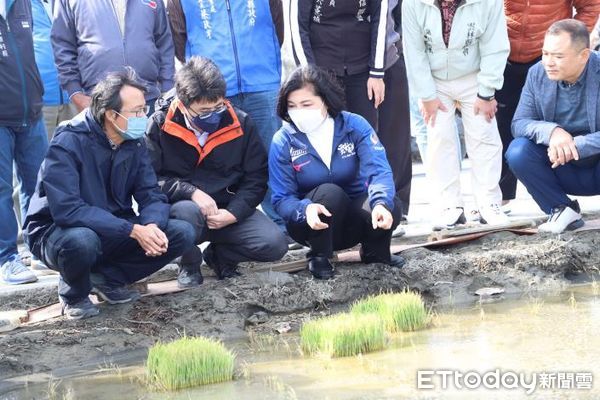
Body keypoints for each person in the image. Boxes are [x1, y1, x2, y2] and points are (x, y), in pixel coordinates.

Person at [23, 70, 195, 319]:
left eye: (143, 110)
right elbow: (68, 210)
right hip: (55, 232)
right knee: (83, 240)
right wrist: (132, 230)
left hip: (112, 227)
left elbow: (151, 194)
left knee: (181, 232)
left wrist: (151, 226)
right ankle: (74, 293)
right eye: (136, 111)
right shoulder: (69, 141)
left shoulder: (133, 142)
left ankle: (105, 279)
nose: (142, 117)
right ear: (110, 114)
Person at [146, 57, 287, 288]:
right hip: (184, 210)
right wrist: (190, 192)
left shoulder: (240, 122)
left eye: (218, 107)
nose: (212, 115)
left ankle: (221, 257)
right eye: (204, 111)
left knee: (274, 244)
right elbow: (150, 180)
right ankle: (189, 263)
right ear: (182, 104)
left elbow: (256, 178)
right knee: (186, 213)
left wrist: (234, 213)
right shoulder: (160, 124)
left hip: (227, 209)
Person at [269, 65, 405, 280]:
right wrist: (305, 210)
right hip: (312, 224)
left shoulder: (354, 125)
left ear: (325, 100)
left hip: (355, 218)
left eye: (306, 104)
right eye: (292, 106)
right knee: (329, 192)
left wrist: (380, 203)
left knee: (390, 204)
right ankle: (319, 256)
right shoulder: (283, 140)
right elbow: (281, 198)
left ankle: (375, 251)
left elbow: (378, 170)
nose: (299, 112)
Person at [167, 0, 288, 239]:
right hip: (211, 90)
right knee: (217, 160)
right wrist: (204, 76)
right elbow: (178, 37)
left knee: (271, 154)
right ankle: (218, 225)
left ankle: (280, 223)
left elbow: (277, 26)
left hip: (262, 81)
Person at [290, 0, 413, 220]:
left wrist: (376, 73)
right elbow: (298, 28)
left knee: (368, 138)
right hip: (323, 66)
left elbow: (380, 16)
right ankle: (331, 207)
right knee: (329, 140)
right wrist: (309, 80)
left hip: (363, 64)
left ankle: (378, 204)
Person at [402, 0, 510, 230]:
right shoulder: (413, 3)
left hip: (474, 74)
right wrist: (426, 94)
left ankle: (489, 203)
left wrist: (487, 92)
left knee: (484, 135)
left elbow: (495, 45)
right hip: (434, 78)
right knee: (440, 139)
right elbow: (414, 50)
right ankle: (449, 206)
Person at [496, 0, 600, 209]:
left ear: (583, 55)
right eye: (546, 54)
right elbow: (520, 122)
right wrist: (552, 132)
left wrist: (577, 145)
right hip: (560, 165)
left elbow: (591, 5)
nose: (549, 62)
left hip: (595, 164)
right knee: (518, 151)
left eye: (558, 56)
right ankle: (560, 210)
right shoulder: (538, 72)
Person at [51, 0, 174, 114]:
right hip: (100, 102)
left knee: (149, 137)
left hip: (148, 100)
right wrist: (75, 93)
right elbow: (63, 46)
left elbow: (164, 43)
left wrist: (167, 88)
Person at [0, 0, 48, 285]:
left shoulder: (22, 4)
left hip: (31, 111)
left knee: (39, 183)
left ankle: (39, 248)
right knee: (1, 189)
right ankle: (7, 257)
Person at [32, 0, 77, 138]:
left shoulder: (71, 3)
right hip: (40, 102)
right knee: (42, 157)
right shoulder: (19, 5)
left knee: (74, 153)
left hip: (75, 97)